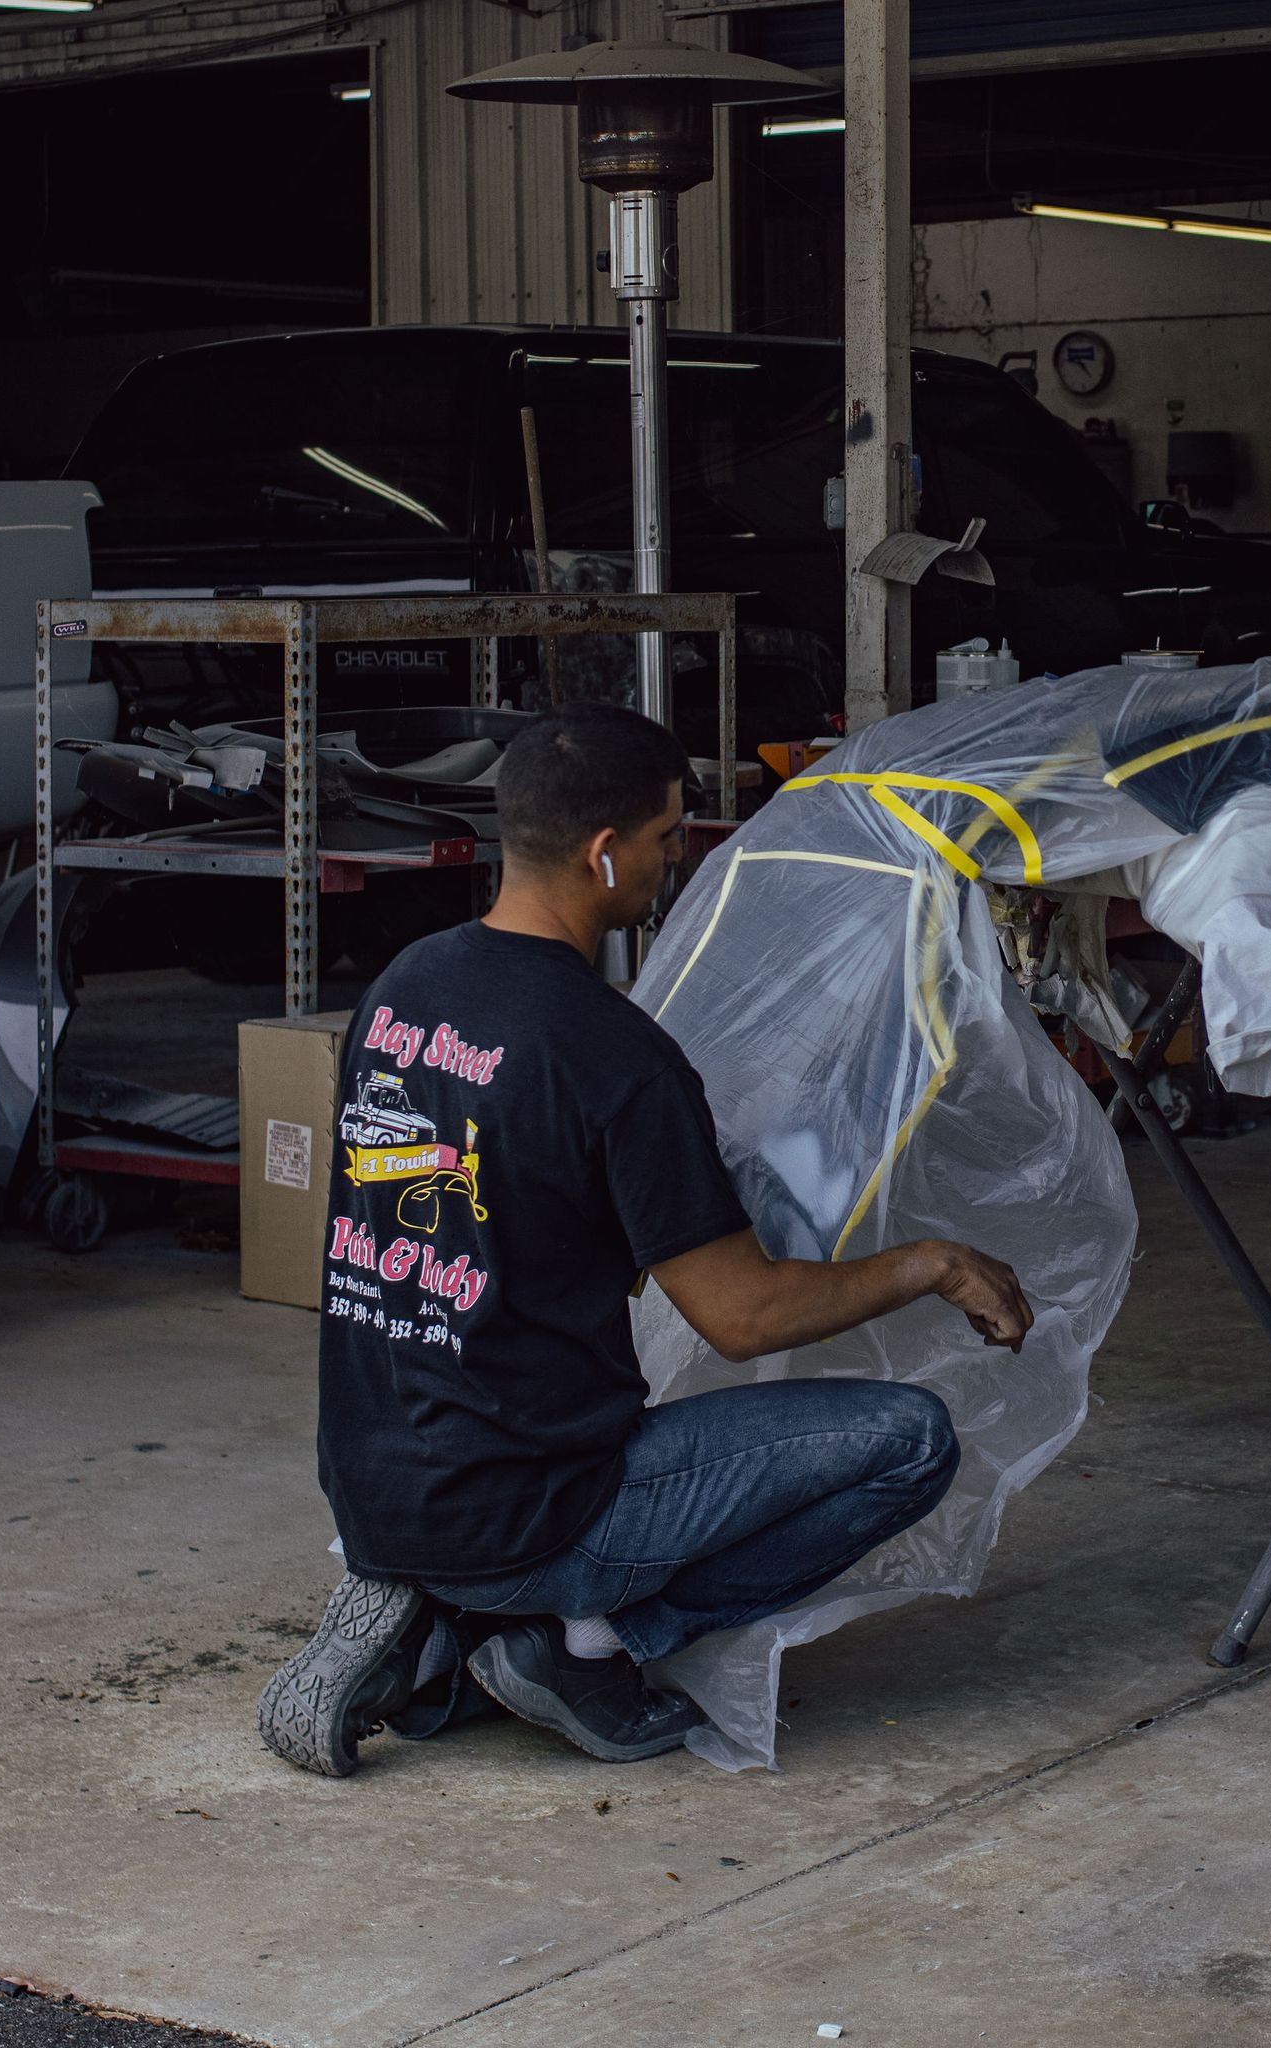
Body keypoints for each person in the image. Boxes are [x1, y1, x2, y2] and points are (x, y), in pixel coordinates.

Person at [257, 704, 1033, 1779]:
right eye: (670, 838)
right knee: (911, 1441)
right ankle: (584, 1642)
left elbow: (458, 1197)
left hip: (373, 1476)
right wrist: (932, 1263)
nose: (674, 862)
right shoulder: (615, 1054)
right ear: (603, 852)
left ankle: (451, 1620)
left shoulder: (404, 989)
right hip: (536, 1506)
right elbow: (741, 1315)